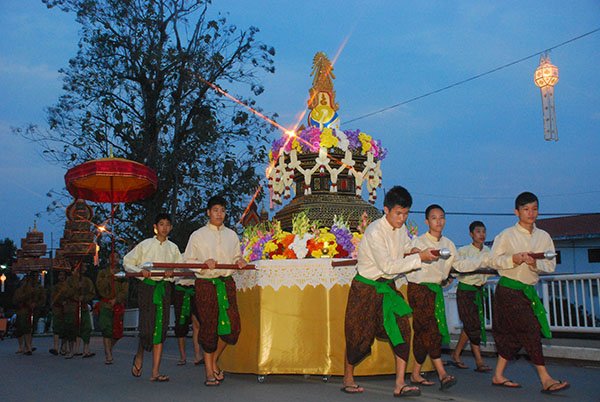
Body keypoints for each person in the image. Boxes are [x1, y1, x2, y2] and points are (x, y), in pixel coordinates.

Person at [342, 185, 437, 397]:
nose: (402, 218)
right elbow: (388, 266)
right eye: (398, 213)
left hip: (387, 288)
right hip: (366, 288)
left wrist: (416, 250)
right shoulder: (375, 231)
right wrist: (420, 258)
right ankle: (348, 377)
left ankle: (400, 383)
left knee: (403, 330)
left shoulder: (400, 228)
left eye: (405, 214)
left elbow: (404, 247)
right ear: (386, 210)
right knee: (358, 336)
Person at [490, 192, 569, 394]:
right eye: (526, 209)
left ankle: (498, 375)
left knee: (513, 336)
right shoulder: (506, 235)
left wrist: (536, 263)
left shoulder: (544, 237)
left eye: (534, 209)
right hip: (509, 290)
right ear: (517, 212)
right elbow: (493, 261)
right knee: (531, 329)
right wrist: (513, 259)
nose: (530, 213)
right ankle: (545, 379)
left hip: (528, 291)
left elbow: (551, 265)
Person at [406, 204, 488, 391]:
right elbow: (408, 263)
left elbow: (459, 265)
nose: (438, 221)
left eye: (441, 217)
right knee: (431, 330)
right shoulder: (418, 242)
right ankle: (443, 374)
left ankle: (416, 374)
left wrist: (483, 261)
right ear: (427, 221)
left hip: (435, 291)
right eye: (434, 218)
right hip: (418, 289)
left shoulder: (449, 245)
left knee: (422, 333)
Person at [183, 195, 246, 387]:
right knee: (209, 326)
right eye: (216, 210)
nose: (220, 214)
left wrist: (240, 261)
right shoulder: (198, 235)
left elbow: (237, 255)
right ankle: (209, 371)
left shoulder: (232, 235)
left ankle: (213, 360)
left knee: (233, 327)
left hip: (226, 283)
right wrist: (203, 264)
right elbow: (187, 260)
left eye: (223, 211)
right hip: (205, 284)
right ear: (208, 212)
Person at [124, 212, 181, 382]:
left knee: (161, 328)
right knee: (147, 328)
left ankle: (155, 371)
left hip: (164, 288)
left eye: (167, 224)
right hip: (147, 289)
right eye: (161, 224)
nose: (164, 227)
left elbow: (180, 269)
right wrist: (141, 272)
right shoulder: (145, 245)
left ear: (170, 227)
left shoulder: (174, 248)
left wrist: (172, 274)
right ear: (155, 227)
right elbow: (127, 262)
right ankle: (140, 355)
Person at [450, 221, 493, 372]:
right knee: (472, 324)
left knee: (471, 324)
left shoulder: (488, 251)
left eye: (483, 231)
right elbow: (456, 269)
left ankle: (456, 354)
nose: (481, 234)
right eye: (478, 231)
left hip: (478, 291)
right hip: (465, 290)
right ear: (471, 234)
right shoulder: (463, 251)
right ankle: (479, 361)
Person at [96, 254, 129, 365]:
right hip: (106, 304)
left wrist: (117, 299)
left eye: (116, 257)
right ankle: (108, 355)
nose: (114, 259)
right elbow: (99, 287)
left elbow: (125, 290)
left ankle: (109, 349)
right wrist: (109, 277)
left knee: (117, 332)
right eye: (112, 257)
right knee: (106, 329)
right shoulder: (102, 273)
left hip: (117, 305)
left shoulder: (122, 274)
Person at [64, 264, 96, 359]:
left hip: (83, 306)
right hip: (72, 307)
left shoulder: (87, 280)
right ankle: (71, 350)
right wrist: (76, 290)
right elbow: (66, 292)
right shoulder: (69, 280)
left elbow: (92, 293)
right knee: (71, 328)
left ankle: (86, 349)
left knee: (87, 327)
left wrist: (84, 297)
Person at [172, 272, 203, 366]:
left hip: (194, 288)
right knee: (181, 324)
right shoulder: (176, 256)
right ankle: (182, 356)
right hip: (180, 289)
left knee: (197, 322)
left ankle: (198, 355)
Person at [13, 273, 46, 355]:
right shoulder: (23, 288)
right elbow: (17, 298)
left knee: (31, 328)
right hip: (23, 310)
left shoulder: (39, 288)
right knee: (24, 327)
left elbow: (43, 299)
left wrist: (36, 304)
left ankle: (28, 345)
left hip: (34, 310)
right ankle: (26, 346)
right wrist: (27, 295)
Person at [49, 270, 69, 355]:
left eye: (63, 275)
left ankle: (63, 347)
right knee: (56, 328)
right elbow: (53, 298)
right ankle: (56, 347)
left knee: (66, 328)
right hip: (58, 309)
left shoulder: (68, 286)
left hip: (67, 309)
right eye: (60, 275)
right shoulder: (55, 287)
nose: (61, 276)